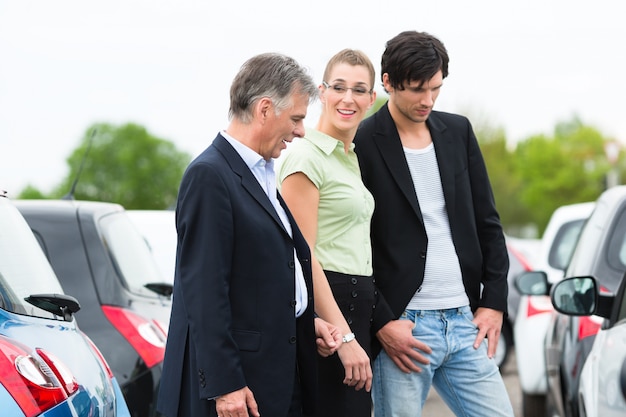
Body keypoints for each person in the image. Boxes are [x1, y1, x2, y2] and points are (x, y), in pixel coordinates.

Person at [157, 52, 342, 417]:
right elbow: (205, 292)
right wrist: (226, 386)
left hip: (277, 375)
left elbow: (259, 275)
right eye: (296, 119)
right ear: (264, 109)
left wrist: (305, 323)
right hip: (239, 389)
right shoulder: (210, 176)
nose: (301, 131)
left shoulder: (265, 171)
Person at [353, 30, 515, 417]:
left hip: (464, 321)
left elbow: (488, 223)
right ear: (388, 83)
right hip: (403, 327)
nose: (428, 100)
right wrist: (382, 322)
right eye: (416, 89)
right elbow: (354, 245)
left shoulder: (458, 132)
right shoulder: (362, 141)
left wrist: (493, 302)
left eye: (436, 88)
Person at [277, 49, 377, 417]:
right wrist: (345, 336)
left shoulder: (348, 157)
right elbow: (303, 257)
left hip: (354, 312)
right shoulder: (306, 156)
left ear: (372, 99)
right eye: (338, 87)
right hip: (331, 320)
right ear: (322, 92)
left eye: (358, 89)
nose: (348, 98)